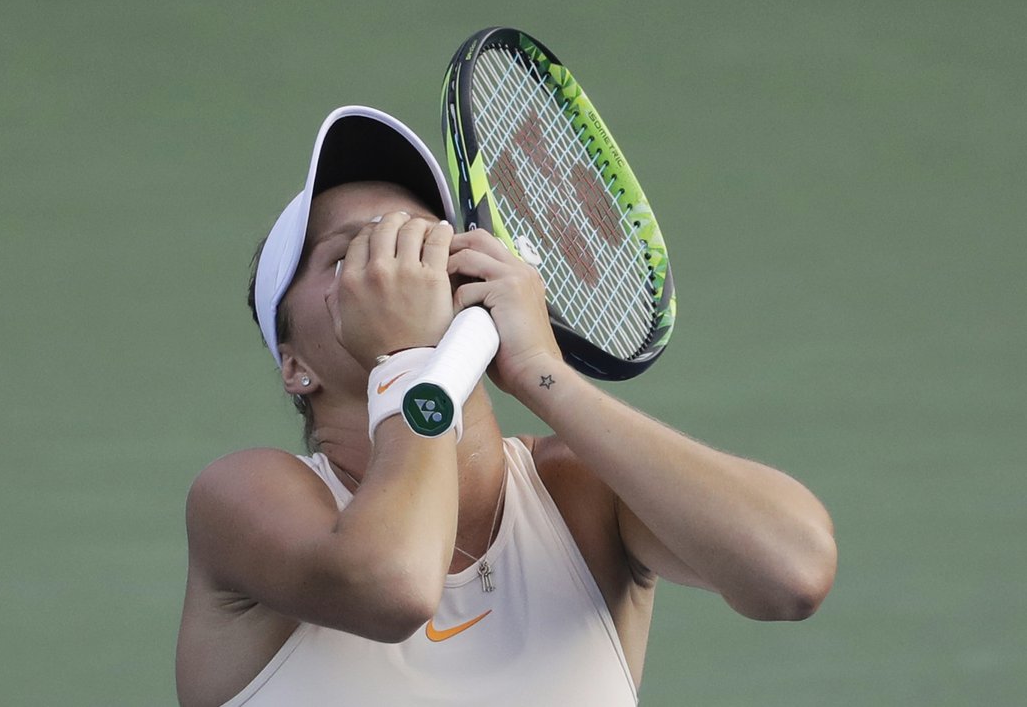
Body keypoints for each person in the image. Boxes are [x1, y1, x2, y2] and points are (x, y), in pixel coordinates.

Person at [175, 105, 837, 707]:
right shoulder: (244, 496)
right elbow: (395, 584)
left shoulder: (577, 494)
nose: (404, 260)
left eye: (422, 236)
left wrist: (542, 371)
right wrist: (408, 359)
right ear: (295, 366)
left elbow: (793, 570)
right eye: (353, 253)